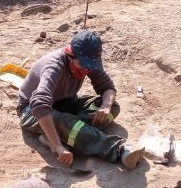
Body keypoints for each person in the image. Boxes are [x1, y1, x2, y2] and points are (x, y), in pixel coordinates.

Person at [17, 30, 145, 169]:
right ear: (70, 55)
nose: (86, 70)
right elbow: (40, 104)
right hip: (31, 111)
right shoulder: (54, 66)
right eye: (83, 65)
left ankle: (61, 133)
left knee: (112, 107)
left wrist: (106, 106)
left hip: (65, 102)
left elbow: (108, 87)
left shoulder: (88, 62)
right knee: (61, 120)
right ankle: (118, 150)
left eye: (89, 66)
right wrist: (58, 146)